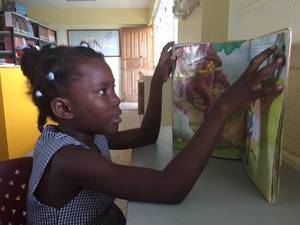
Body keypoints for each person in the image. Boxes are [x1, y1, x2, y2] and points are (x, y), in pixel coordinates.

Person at [21, 42, 284, 225]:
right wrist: (224, 106)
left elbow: (146, 135)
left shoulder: (84, 133)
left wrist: (157, 82)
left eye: (113, 88)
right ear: (64, 108)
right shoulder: (70, 159)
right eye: (102, 92)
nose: (116, 99)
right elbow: (170, 188)